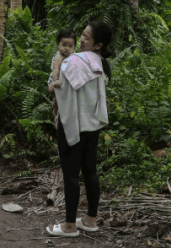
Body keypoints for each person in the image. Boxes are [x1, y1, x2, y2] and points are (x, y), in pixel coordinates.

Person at [45, 21, 112, 238]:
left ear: (98, 44)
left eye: (86, 37)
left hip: (71, 123)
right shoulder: (102, 64)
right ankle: (90, 220)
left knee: (71, 174)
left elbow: (56, 90)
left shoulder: (71, 62)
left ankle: (70, 226)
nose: (82, 39)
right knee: (90, 170)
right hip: (92, 124)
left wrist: (53, 83)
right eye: (82, 35)